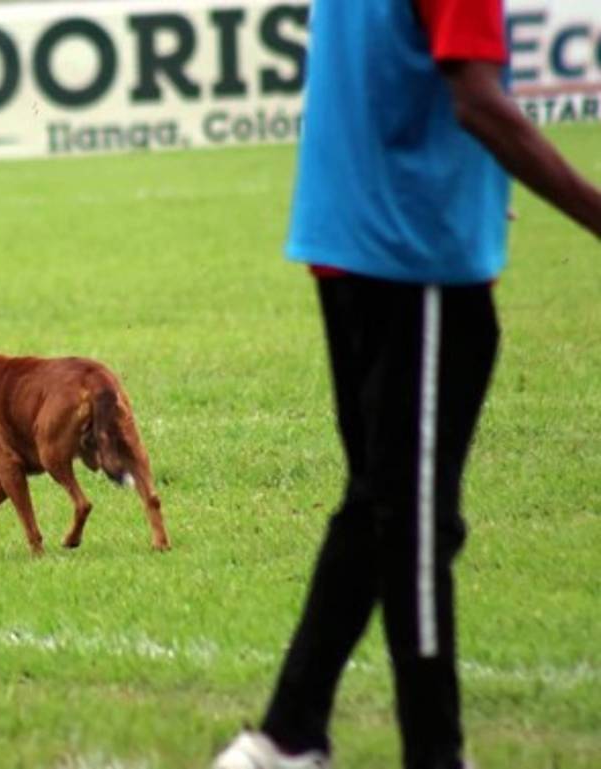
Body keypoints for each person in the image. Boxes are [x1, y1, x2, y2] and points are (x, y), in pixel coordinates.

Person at [211, 0, 601, 767]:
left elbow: (389, 77)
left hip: (350, 237)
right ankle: (434, 751)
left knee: (385, 505)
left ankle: (287, 735)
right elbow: (478, 102)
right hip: (413, 254)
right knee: (416, 522)